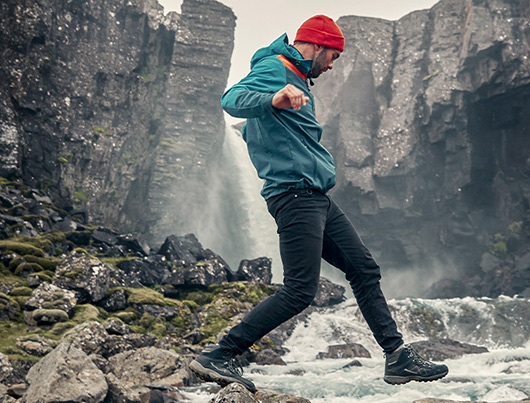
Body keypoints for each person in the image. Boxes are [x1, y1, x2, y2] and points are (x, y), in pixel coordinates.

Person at [188, 14, 449, 391]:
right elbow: (231, 99)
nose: (332, 65)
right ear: (315, 45)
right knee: (299, 291)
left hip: (316, 196)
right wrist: (273, 98)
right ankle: (220, 354)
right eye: (333, 56)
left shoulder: (297, 77)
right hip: (294, 196)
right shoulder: (274, 68)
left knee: (364, 268)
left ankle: (397, 358)